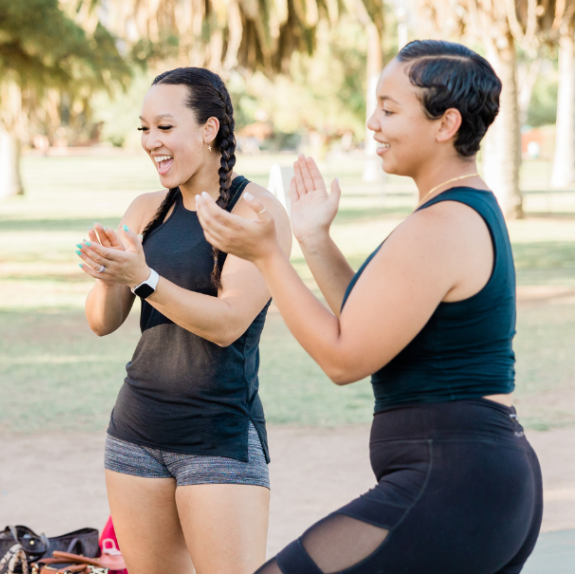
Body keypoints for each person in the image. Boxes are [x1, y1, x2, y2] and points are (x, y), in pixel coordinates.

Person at [196, 40, 543, 574]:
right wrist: (313, 239)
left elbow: (345, 359)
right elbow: (372, 326)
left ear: (445, 123)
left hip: (452, 480)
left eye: (389, 107)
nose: (372, 122)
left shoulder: (439, 226)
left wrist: (268, 256)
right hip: (481, 480)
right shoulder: (462, 207)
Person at [78, 67, 291, 574]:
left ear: (209, 129)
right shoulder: (145, 208)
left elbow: (228, 322)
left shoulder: (256, 211)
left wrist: (143, 275)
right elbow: (101, 322)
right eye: (144, 129)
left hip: (218, 441)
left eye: (165, 127)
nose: (151, 141)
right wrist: (111, 275)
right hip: (134, 434)